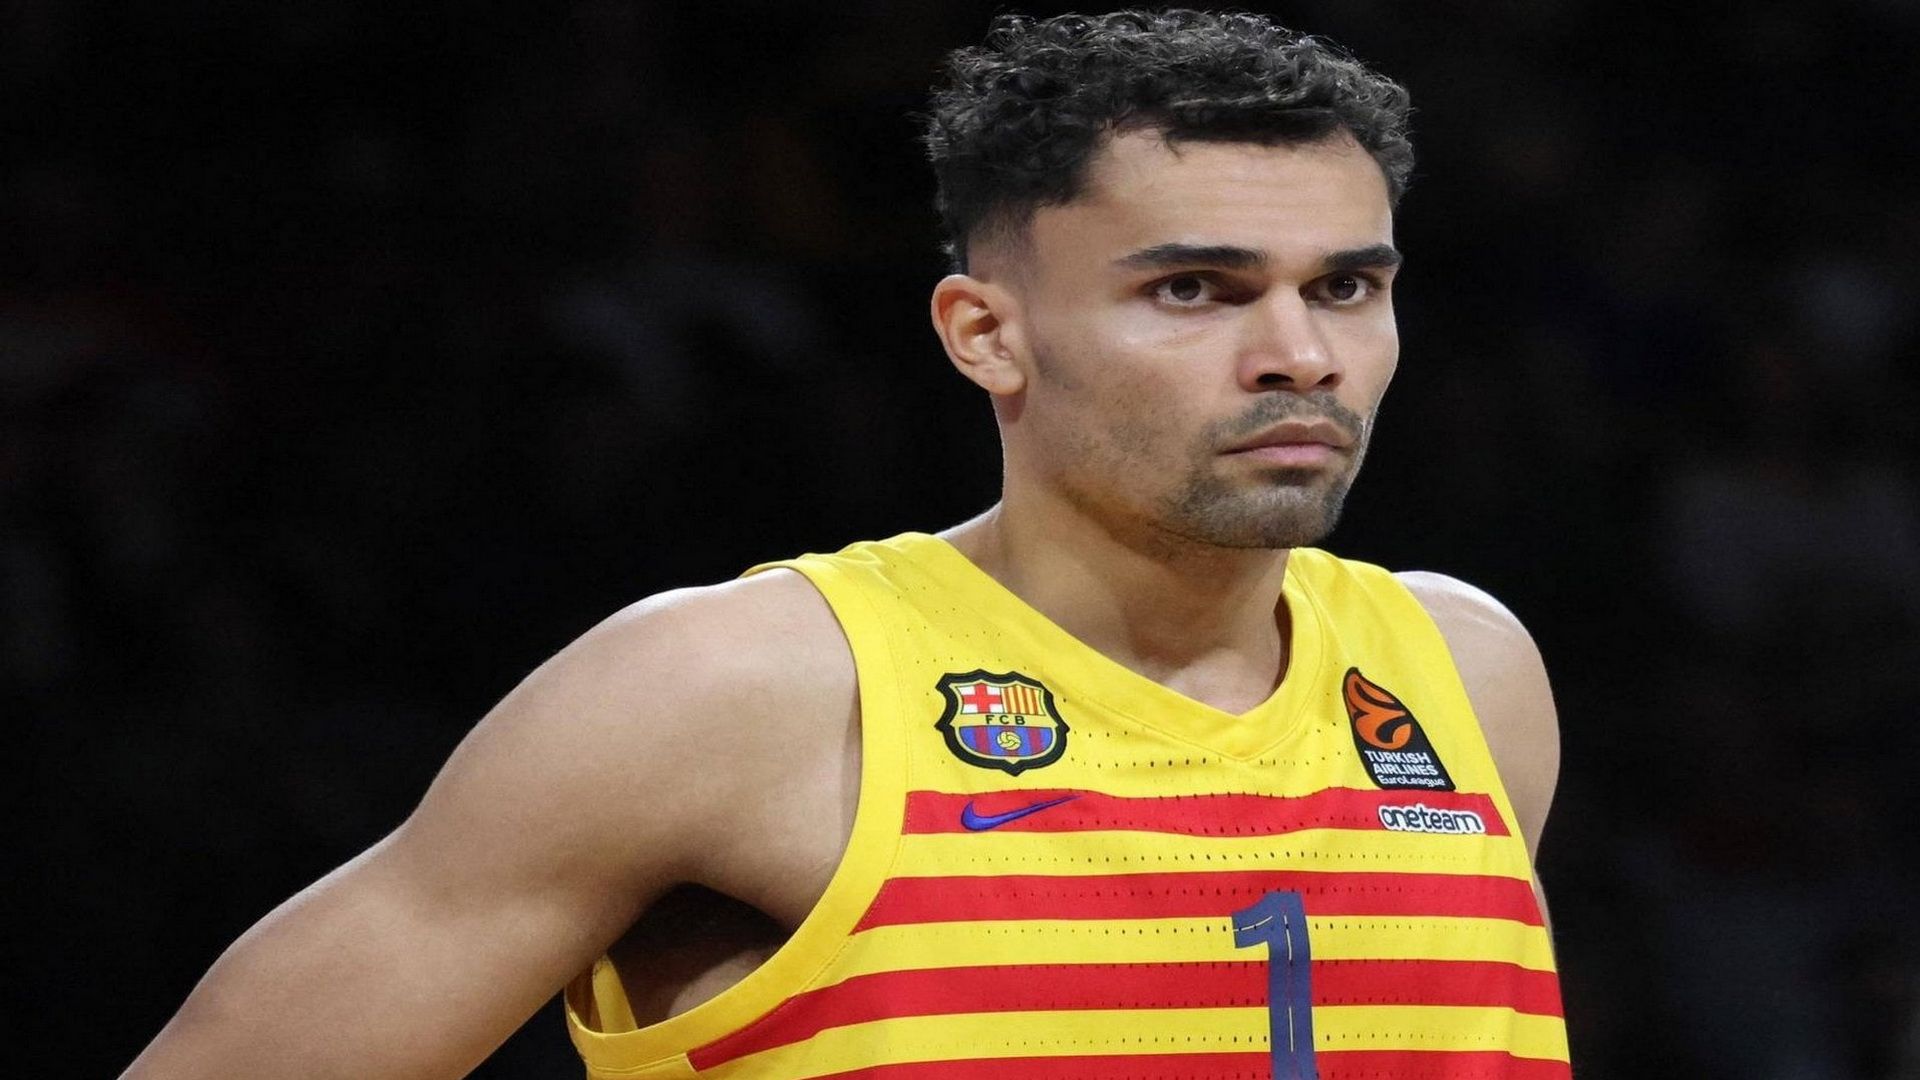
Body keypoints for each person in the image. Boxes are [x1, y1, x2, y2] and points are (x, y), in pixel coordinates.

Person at [127, 10, 1569, 1078]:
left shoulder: (1464, 673)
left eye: (1347, 288)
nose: (1299, 354)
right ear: (986, 334)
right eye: (1195, 289)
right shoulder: (735, 691)